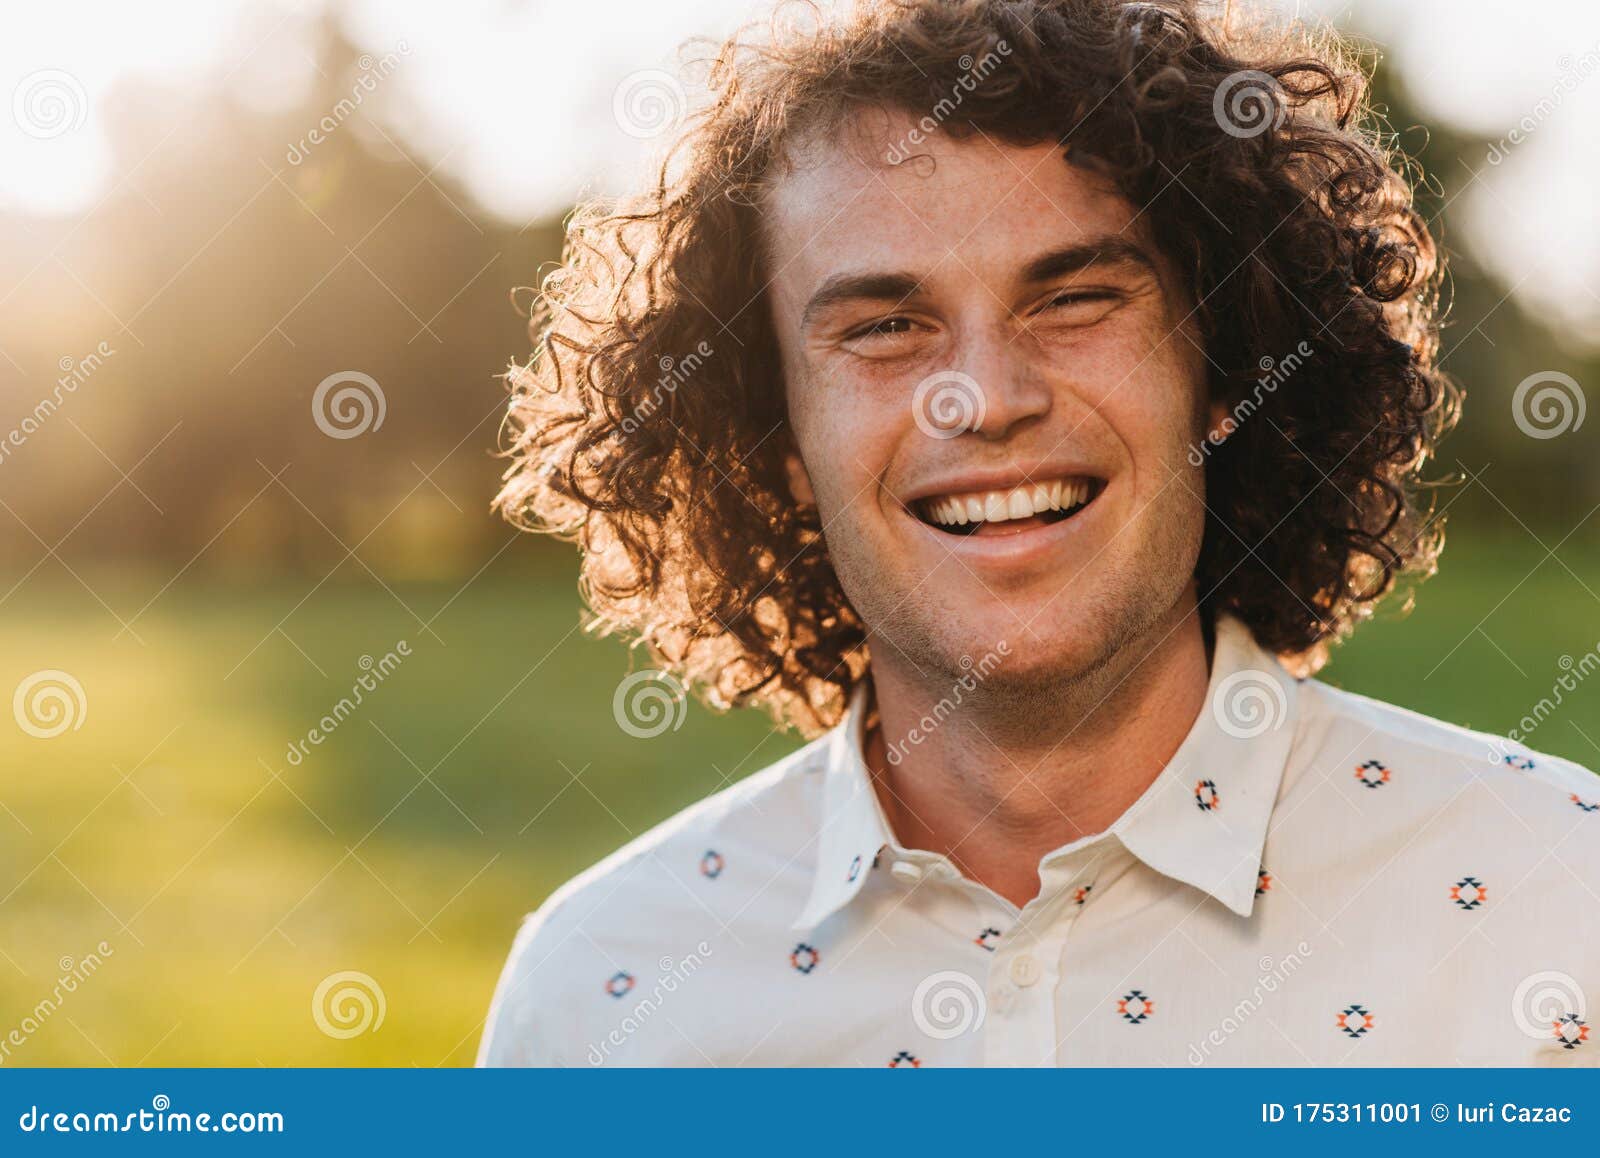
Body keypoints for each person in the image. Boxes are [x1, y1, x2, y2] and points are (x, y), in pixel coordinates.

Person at [478, 0, 1599, 1066]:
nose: (985, 398)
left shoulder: (1559, 901)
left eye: (1072, 300)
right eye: (884, 327)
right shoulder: (597, 1000)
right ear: (774, 435)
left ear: (1224, 367)